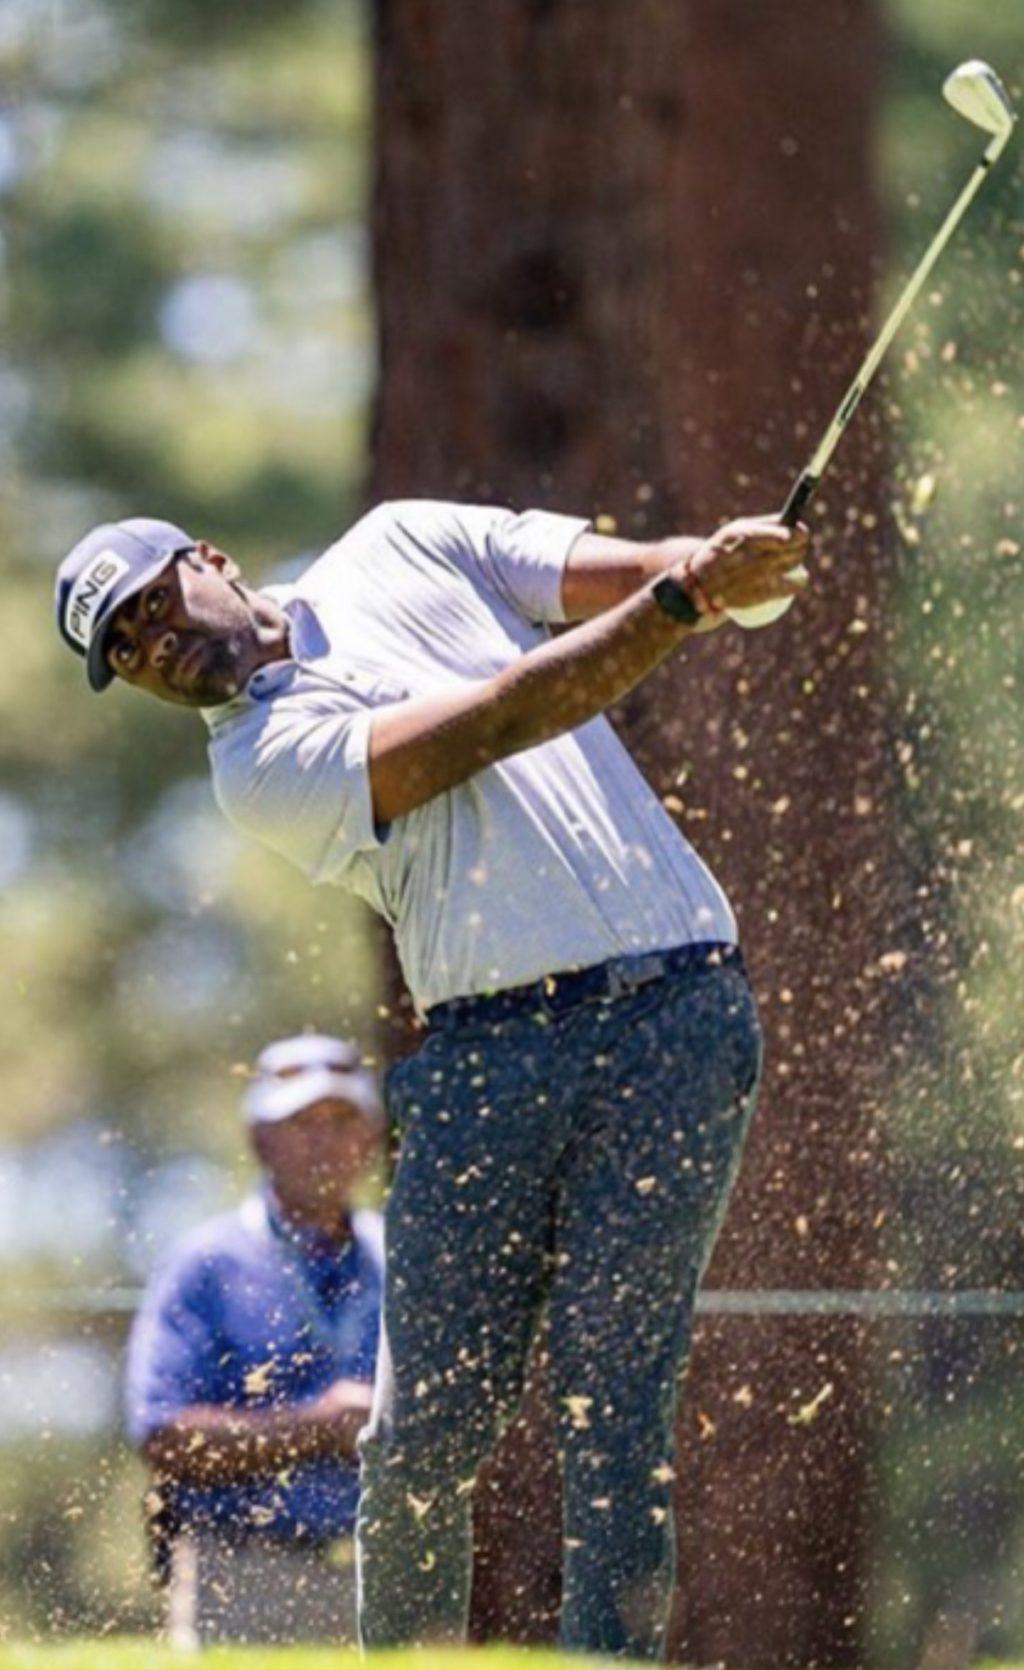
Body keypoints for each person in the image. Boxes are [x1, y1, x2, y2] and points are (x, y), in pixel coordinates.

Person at [59, 499, 810, 1659]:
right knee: (419, 1436)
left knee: (614, 1402)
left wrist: (735, 570)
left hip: (677, 1015)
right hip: (482, 1059)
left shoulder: (399, 540)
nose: (152, 644)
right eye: (125, 648)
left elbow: (645, 570)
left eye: (152, 603)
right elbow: (491, 723)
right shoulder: (256, 765)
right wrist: (686, 602)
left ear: (210, 556)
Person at [124, 1033, 384, 1648]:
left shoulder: (403, 1258)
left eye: (342, 1120)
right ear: (260, 1139)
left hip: (384, 1578)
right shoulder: (205, 1263)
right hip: (240, 1577)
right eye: (301, 1122)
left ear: (370, 1137)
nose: (324, 1141)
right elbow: (162, 1434)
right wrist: (318, 1425)